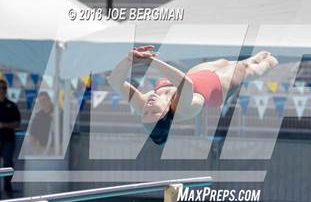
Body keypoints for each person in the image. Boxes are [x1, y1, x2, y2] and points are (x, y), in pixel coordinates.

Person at [109, 45, 278, 145]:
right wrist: (151, 61)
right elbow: (185, 84)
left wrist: (129, 59)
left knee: (224, 62)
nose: (148, 107)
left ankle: (256, 57)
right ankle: (271, 61)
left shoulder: (143, 103)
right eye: (154, 112)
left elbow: (115, 82)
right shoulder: (181, 109)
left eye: (145, 113)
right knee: (247, 68)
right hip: (218, 87)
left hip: (196, 75)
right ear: (166, 114)